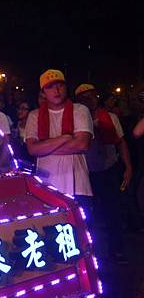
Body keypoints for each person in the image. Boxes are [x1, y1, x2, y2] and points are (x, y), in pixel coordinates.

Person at [75, 84, 131, 264]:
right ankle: (90, 252)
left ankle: (116, 250)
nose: (89, 100)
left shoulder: (111, 117)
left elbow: (121, 142)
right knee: (87, 215)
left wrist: (128, 166)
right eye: (84, 97)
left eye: (92, 96)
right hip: (86, 172)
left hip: (108, 169)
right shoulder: (76, 119)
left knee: (112, 212)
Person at [25, 69, 93, 204]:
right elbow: (32, 150)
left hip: (77, 184)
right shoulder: (34, 115)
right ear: (43, 92)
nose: (56, 90)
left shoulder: (80, 110)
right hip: (46, 184)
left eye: (60, 85)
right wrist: (65, 138)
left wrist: (44, 147)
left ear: (66, 87)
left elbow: (82, 144)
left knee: (82, 224)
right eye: (50, 87)